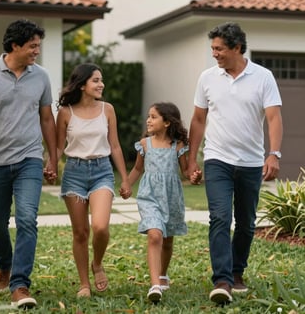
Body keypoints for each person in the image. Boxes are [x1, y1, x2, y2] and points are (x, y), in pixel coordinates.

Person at [187, 22, 283, 305]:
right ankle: (222, 280)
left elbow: (274, 117)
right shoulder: (207, 78)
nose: (214, 54)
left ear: (237, 47)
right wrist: (193, 159)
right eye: (212, 48)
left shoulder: (263, 77)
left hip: (251, 162)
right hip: (217, 158)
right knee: (219, 217)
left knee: (246, 223)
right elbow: (198, 119)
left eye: (219, 49)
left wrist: (273, 154)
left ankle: (237, 271)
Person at [0, 19, 57, 309]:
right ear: (15, 45)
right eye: (32, 46)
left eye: (38, 46)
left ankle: (20, 284)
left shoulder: (41, 77)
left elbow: (46, 118)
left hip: (29, 158)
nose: (36, 52)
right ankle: (3, 264)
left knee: (27, 219)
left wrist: (53, 157)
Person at [56, 63, 132, 298]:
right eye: (96, 80)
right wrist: (49, 166)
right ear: (81, 85)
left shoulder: (107, 109)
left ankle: (97, 263)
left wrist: (126, 179)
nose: (101, 84)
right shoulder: (66, 112)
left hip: (102, 171)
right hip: (74, 173)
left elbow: (115, 146)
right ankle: (84, 284)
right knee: (80, 233)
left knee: (100, 227)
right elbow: (59, 146)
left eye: (101, 80)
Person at [127, 102, 202, 303]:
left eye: (153, 117)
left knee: (167, 238)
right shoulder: (144, 144)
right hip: (149, 195)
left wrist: (193, 177)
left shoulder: (177, 145)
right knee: (154, 235)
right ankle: (155, 286)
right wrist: (126, 185)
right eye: (148, 116)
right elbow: (137, 169)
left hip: (171, 197)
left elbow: (185, 171)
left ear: (167, 122)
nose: (148, 120)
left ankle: (162, 274)